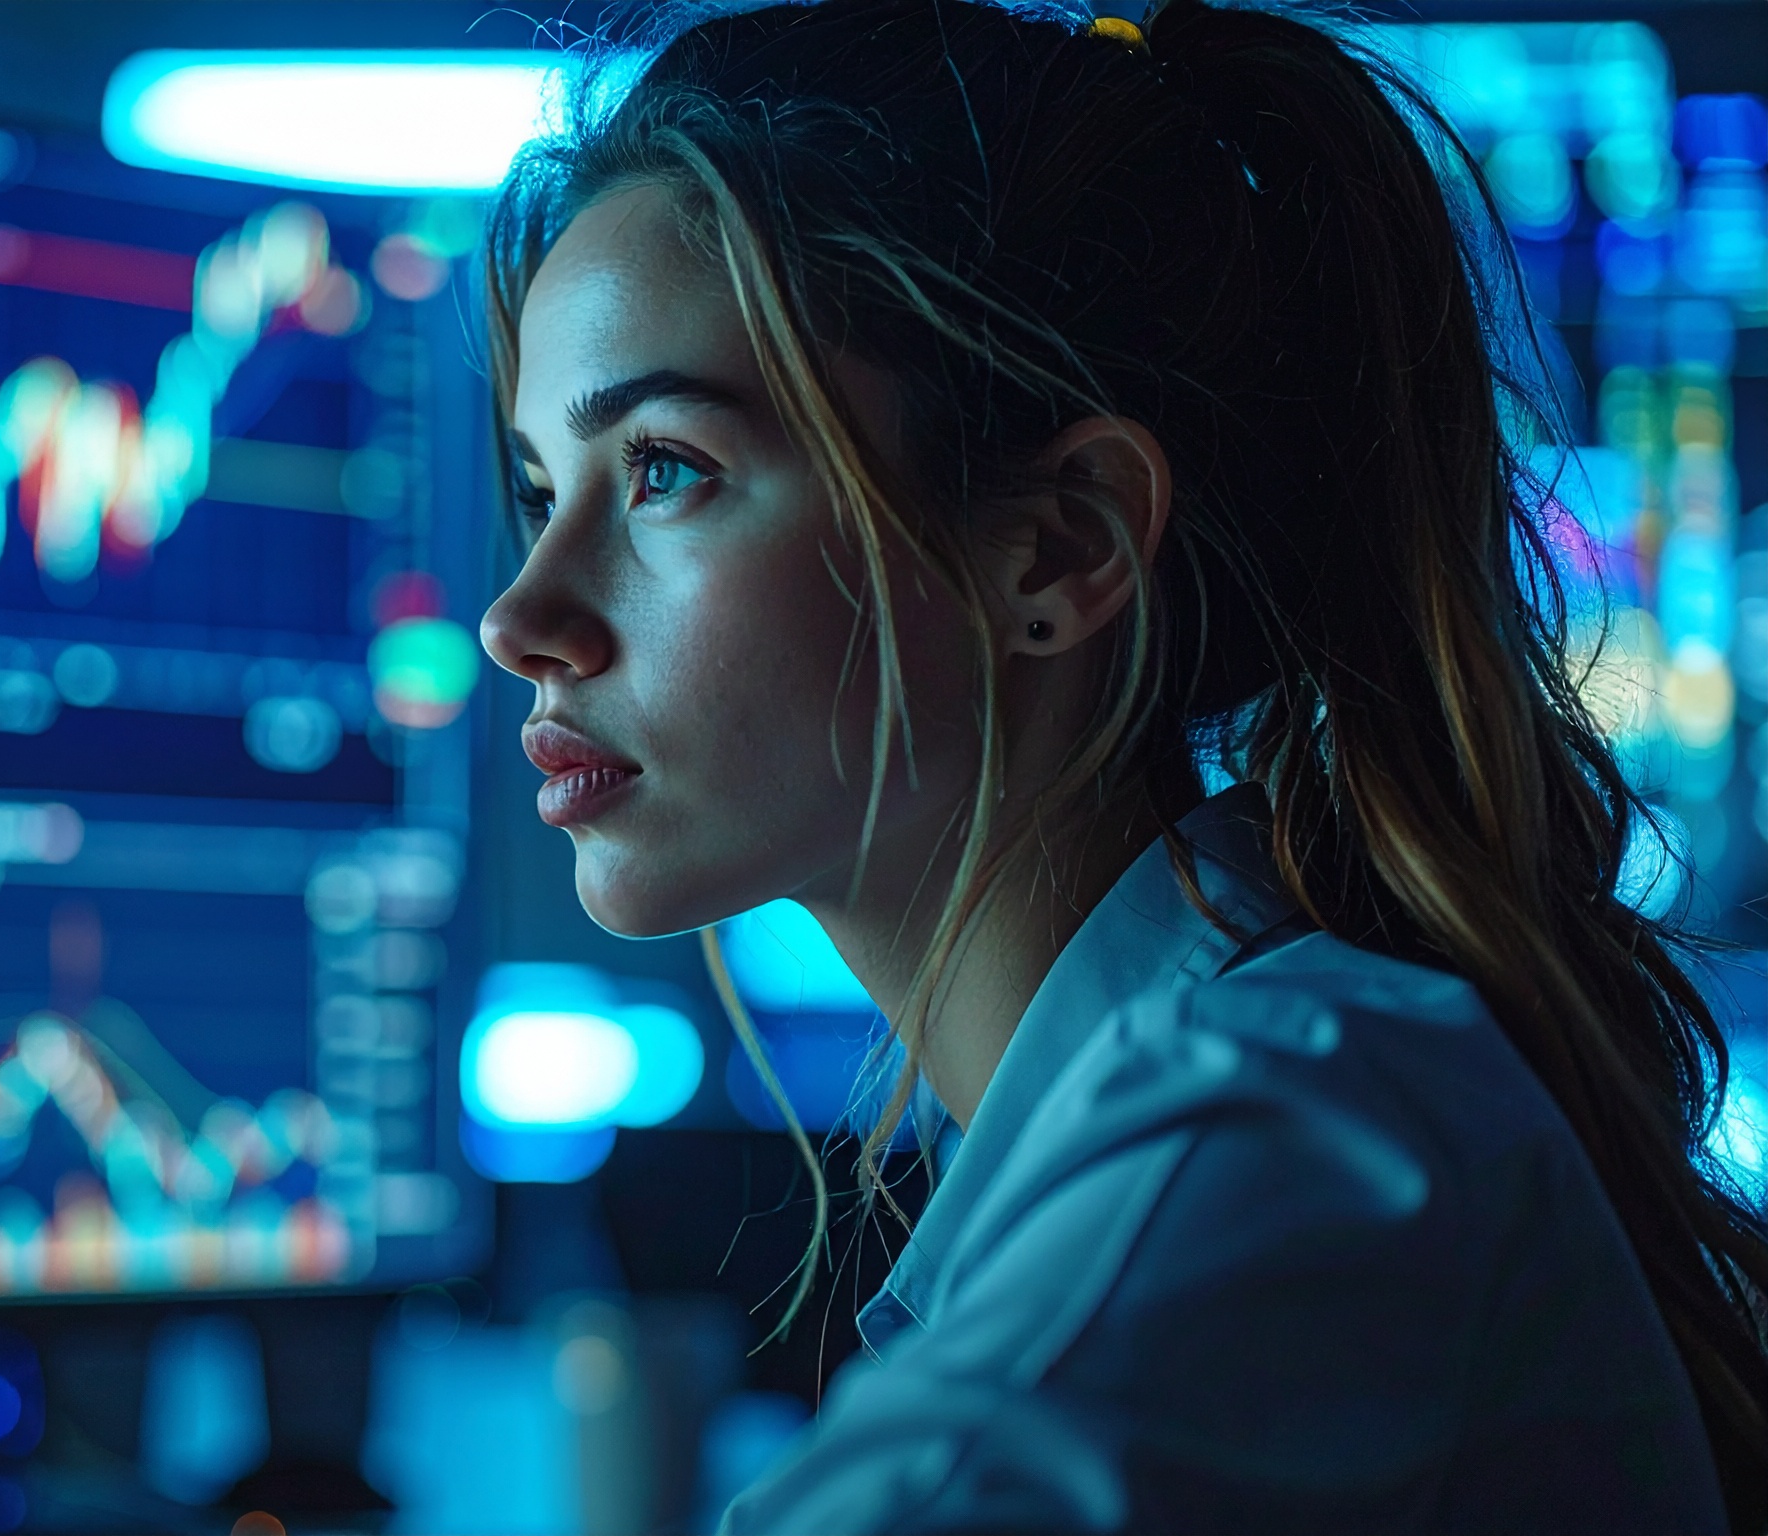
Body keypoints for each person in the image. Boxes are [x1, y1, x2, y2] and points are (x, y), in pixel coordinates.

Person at [475, 1, 1768, 1530]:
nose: (521, 619)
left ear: (1060, 548)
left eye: (666, 471)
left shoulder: (1284, 1138)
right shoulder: (1244, 1109)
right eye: (542, 489)